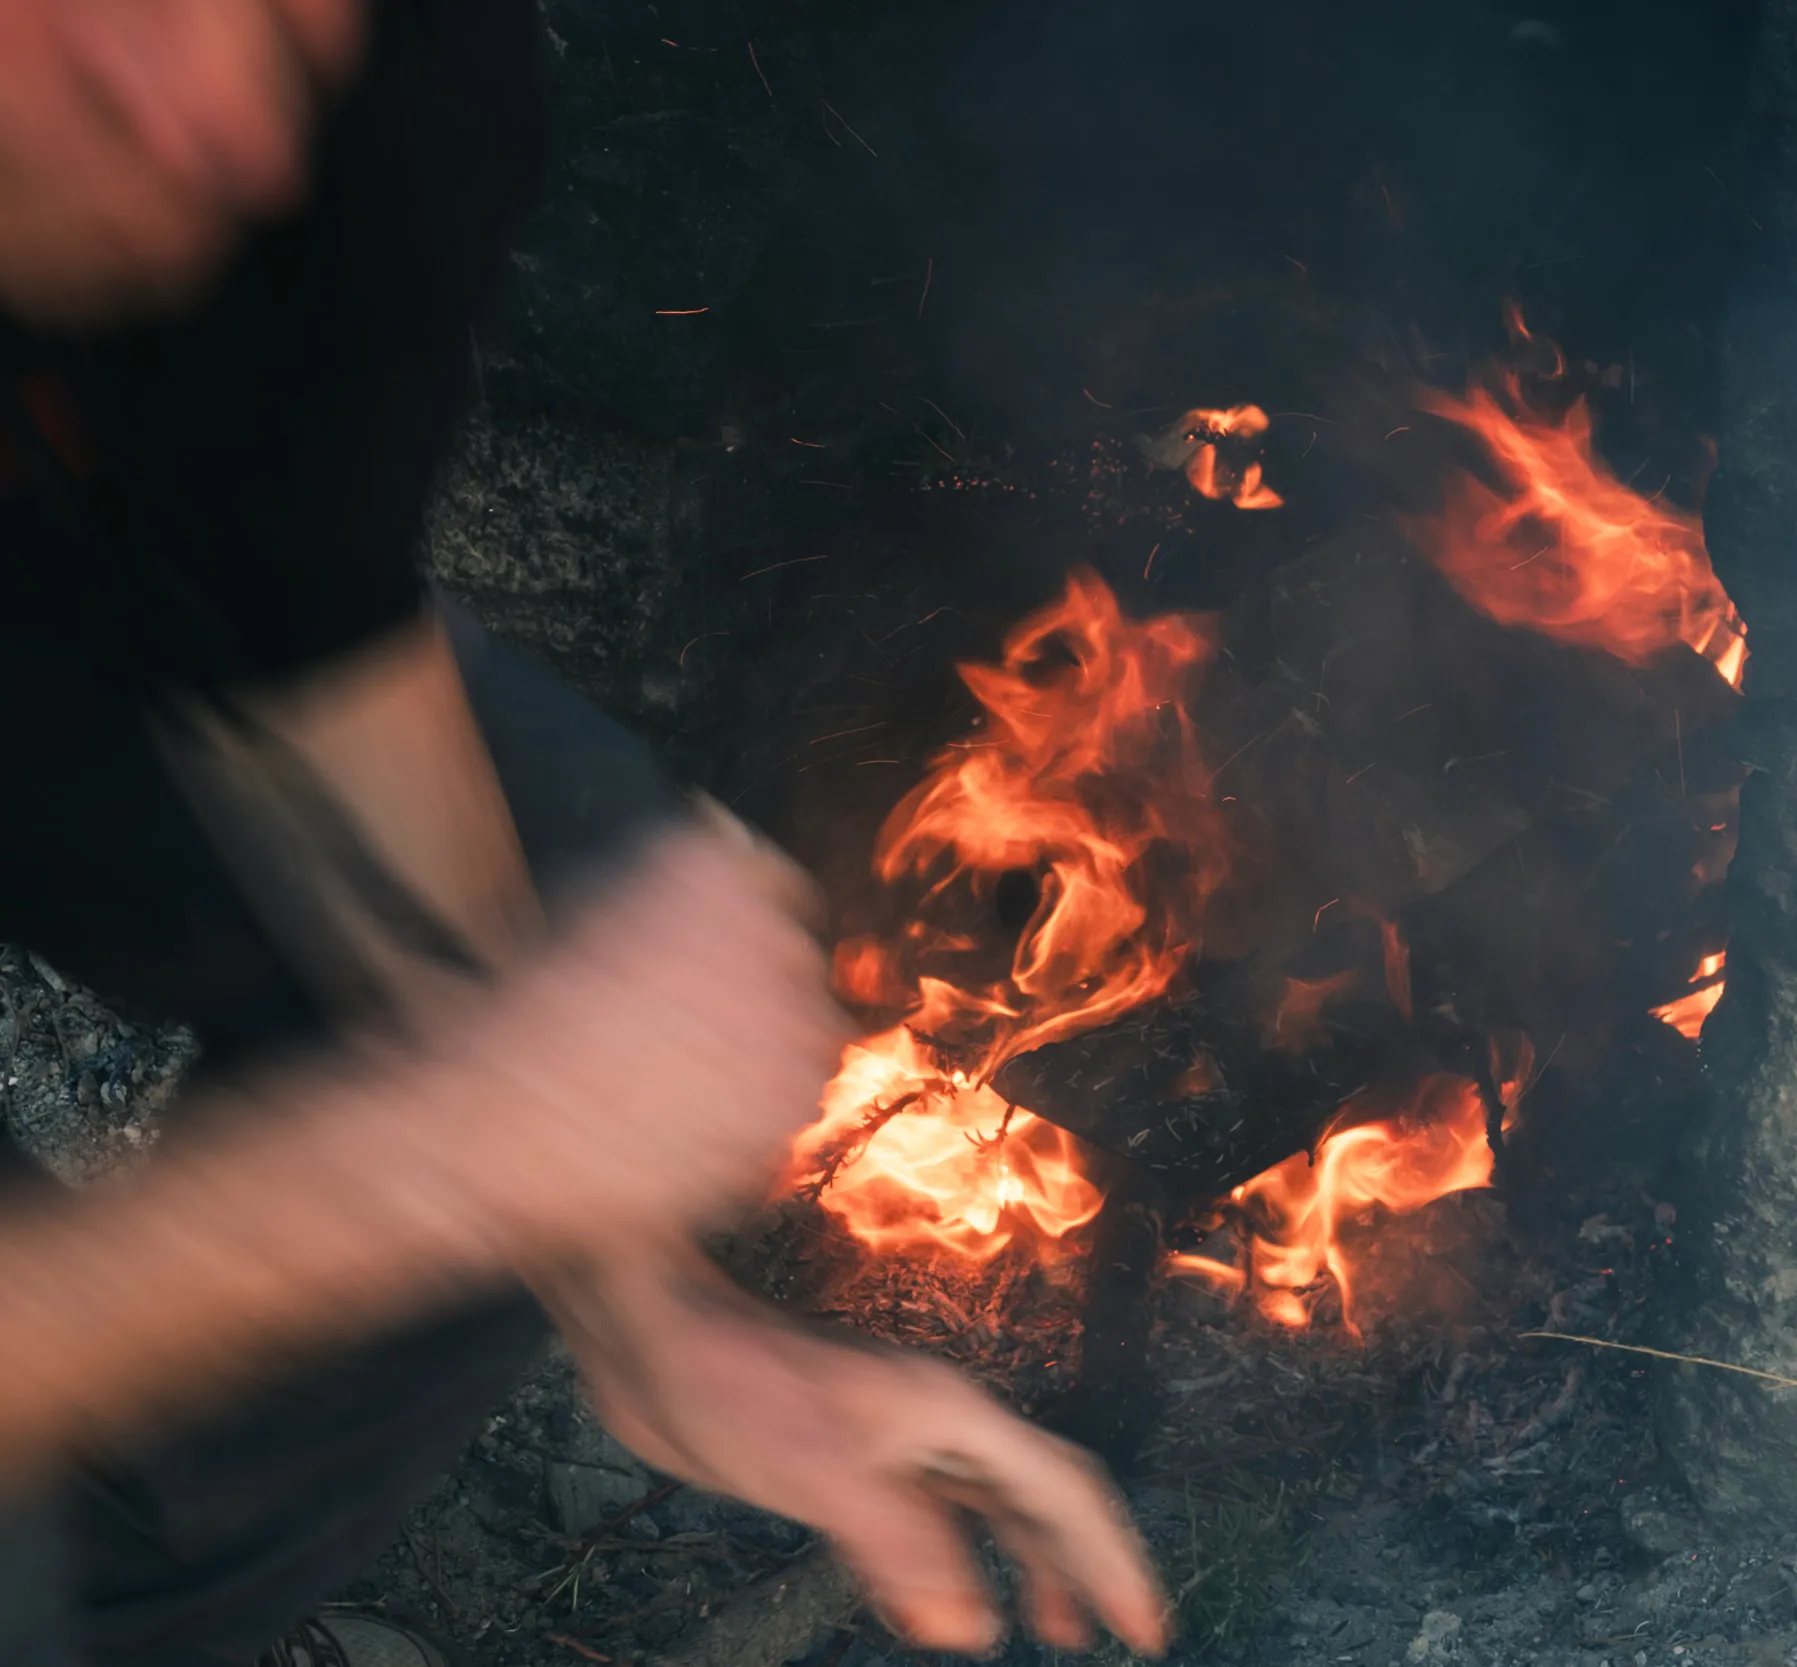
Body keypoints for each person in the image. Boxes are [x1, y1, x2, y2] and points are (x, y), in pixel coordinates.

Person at [0, 1, 1171, 1662]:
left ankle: (118, 1593)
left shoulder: (352, 82)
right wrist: (448, 1151)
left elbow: (302, 620)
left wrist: (643, 1305)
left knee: (570, 903)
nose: (225, 123)